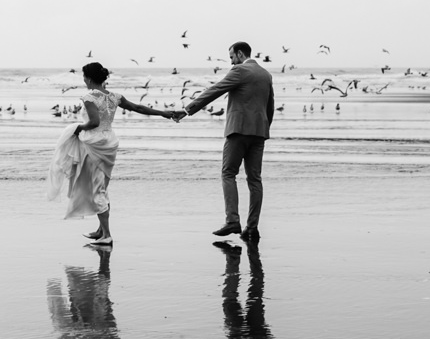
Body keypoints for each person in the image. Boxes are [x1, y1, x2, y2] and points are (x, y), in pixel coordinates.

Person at [47, 61, 182, 245]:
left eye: (84, 77)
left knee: (97, 189)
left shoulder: (88, 97)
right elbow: (139, 108)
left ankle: (107, 235)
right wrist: (164, 113)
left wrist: (77, 128)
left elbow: (93, 123)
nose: (84, 80)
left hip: (94, 144)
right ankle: (100, 230)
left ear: (88, 78)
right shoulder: (115, 96)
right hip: (109, 142)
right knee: (102, 185)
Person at [181, 40, 274, 240]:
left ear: (240, 54)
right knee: (255, 179)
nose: (231, 62)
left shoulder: (240, 71)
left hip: (238, 131)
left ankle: (232, 221)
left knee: (228, 173)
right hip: (259, 133)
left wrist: (187, 109)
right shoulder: (266, 74)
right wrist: (264, 128)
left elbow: (215, 90)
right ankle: (252, 227)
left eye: (232, 57)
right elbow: (270, 106)